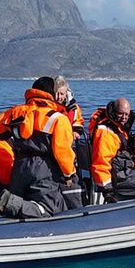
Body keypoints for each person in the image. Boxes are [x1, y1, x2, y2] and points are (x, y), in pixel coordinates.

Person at [0, 76, 76, 219]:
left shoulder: (16, 112)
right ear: (51, 94)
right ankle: (8, 201)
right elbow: (63, 151)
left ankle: (10, 209)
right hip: (43, 169)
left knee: (19, 208)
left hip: (19, 167)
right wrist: (68, 174)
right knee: (48, 209)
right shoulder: (58, 119)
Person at [86, 98, 135, 202]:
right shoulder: (106, 132)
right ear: (114, 111)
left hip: (121, 171)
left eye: (127, 114)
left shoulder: (118, 127)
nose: (124, 118)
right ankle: (120, 201)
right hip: (116, 175)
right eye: (121, 114)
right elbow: (100, 163)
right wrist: (108, 190)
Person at [54, 76, 86, 209]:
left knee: (73, 180)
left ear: (66, 93)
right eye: (55, 93)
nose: (58, 97)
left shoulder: (74, 107)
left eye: (61, 93)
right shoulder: (49, 106)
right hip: (56, 148)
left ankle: (76, 206)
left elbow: (79, 120)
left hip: (70, 149)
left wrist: (76, 130)